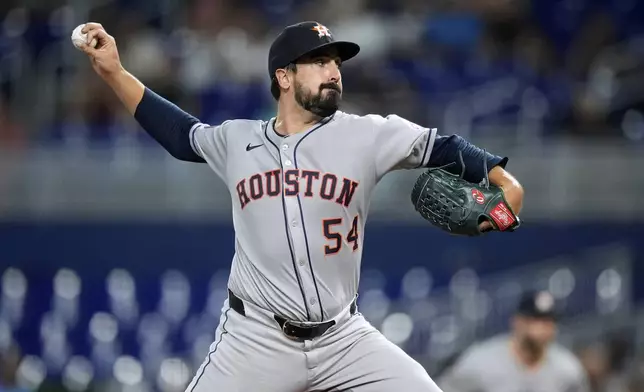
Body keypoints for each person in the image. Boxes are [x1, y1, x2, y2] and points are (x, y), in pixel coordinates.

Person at [77, 20, 524, 392]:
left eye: (336, 62)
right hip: (255, 340)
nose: (333, 72)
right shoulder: (237, 139)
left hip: (344, 338)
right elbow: (180, 135)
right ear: (284, 77)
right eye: (319, 61)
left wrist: (504, 186)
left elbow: (445, 147)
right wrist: (115, 71)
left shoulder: (367, 134)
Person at [437, 290, 589, 392]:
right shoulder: (479, 363)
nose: (541, 328)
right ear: (516, 321)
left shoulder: (568, 369)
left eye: (548, 321)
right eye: (534, 320)